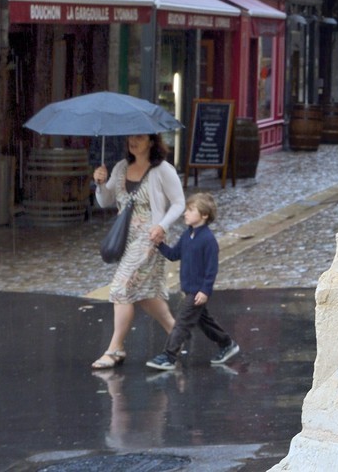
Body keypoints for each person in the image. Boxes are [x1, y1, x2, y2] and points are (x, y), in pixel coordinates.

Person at [90, 133, 184, 369]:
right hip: (126, 238)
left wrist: (162, 226)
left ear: (152, 142)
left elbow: (179, 203)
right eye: (131, 137)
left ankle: (115, 348)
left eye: (140, 137)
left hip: (150, 237)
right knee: (144, 294)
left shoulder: (162, 170)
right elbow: (105, 201)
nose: (134, 141)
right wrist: (100, 183)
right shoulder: (121, 167)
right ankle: (176, 332)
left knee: (122, 287)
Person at [146, 192, 240, 370]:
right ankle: (227, 343)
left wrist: (205, 291)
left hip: (197, 291)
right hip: (189, 289)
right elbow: (174, 255)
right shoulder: (187, 235)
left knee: (182, 321)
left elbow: (211, 270)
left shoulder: (208, 240)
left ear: (204, 215)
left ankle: (169, 356)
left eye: (190, 210)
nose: (185, 214)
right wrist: (160, 245)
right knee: (204, 321)